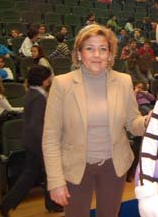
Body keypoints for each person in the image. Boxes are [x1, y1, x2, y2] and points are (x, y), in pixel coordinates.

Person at [42, 24, 148, 217]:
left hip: (113, 166)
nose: (97, 54)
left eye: (103, 49)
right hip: (75, 167)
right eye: (89, 48)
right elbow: (50, 137)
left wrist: (149, 121)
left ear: (110, 55)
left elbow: (133, 124)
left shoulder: (124, 81)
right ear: (79, 53)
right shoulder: (62, 84)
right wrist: (55, 180)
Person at [0, 65, 62, 217]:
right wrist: (46, 143)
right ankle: (52, 204)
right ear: (44, 80)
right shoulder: (38, 97)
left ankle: (7, 204)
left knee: (32, 173)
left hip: (31, 140)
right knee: (47, 172)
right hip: (38, 141)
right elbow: (36, 124)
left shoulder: (32, 93)